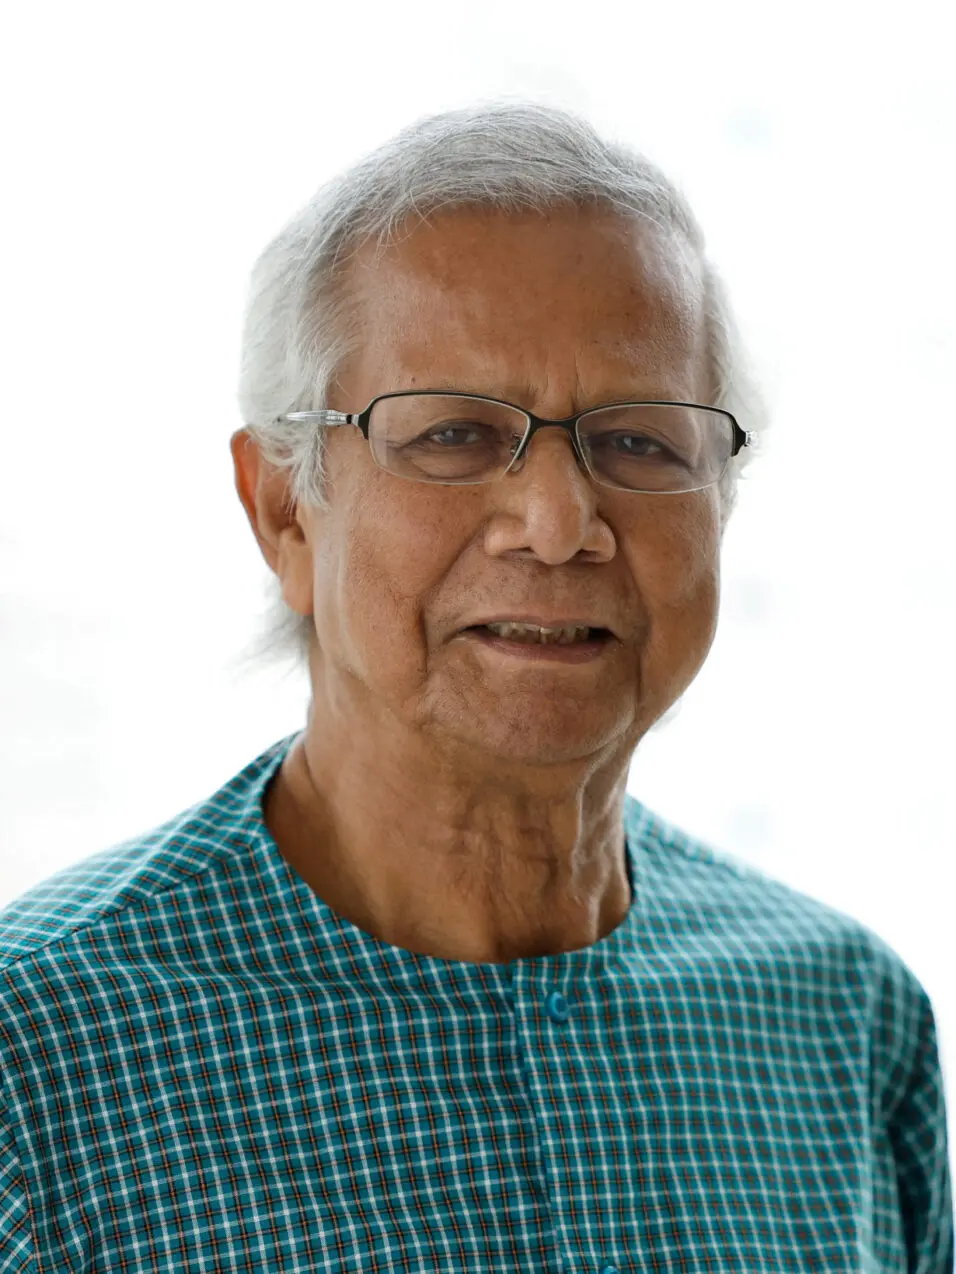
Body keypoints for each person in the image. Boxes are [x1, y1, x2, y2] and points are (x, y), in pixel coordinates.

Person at [0, 102, 951, 1273]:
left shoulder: (843, 1017)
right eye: (451, 432)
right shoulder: (37, 1048)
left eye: (640, 441)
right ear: (283, 508)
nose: (557, 525)